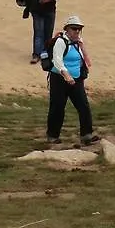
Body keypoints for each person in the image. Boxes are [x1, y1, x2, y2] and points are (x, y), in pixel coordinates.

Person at [46, 14, 99, 146]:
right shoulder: (61, 41)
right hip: (59, 79)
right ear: (67, 29)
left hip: (76, 80)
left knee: (84, 107)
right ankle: (53, 136)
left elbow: (81, 57)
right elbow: (57, 61)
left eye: (79, 29)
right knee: (57, 107)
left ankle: (87, 135)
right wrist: (66, 75)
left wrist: (81, 71)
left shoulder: (78, 42)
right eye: (74, 28)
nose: (76, 31)